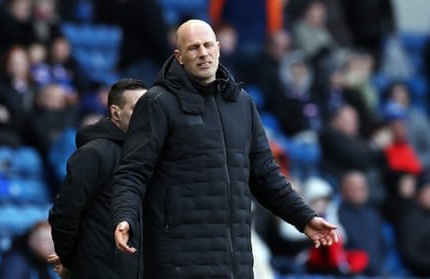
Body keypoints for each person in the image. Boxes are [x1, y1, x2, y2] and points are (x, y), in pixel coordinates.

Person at [112, 19, 338, 278]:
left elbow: (265, 176)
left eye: (208, 45)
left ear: (218, 48)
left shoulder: (242, 104)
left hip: (235, 260)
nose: (203, 53)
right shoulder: (157, 103)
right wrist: (124, 216)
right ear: (179, 57)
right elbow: (132, 171)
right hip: (179, 261)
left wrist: (305, 218)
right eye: (194, 48)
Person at [48, 79, 147, 279]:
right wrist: (71, 262)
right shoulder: (94, 154)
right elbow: (65, 212)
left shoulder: (149, 155)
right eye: (138, 108)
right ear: (115, 112)